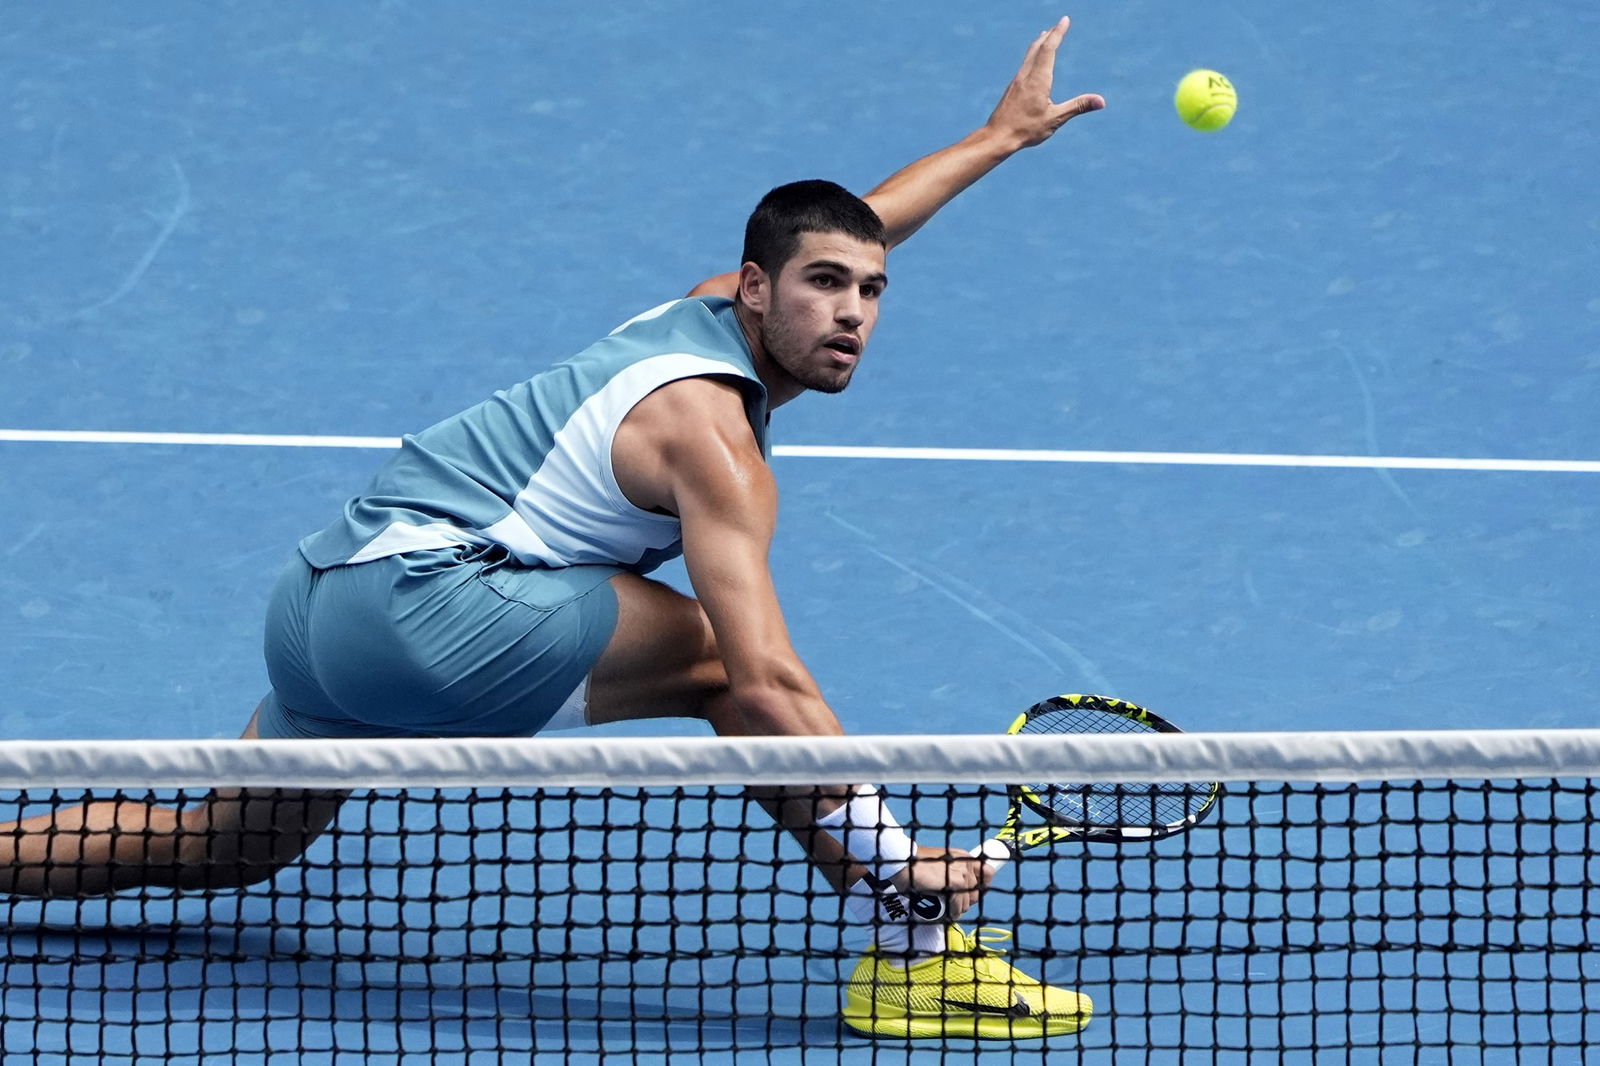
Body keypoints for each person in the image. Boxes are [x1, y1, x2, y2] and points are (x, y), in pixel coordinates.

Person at [0, 17, 1104, 1040]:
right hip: (420, 612)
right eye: (825, 288)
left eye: (870, 292)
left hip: (317, 607)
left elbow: (858, 224)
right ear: (761, 293)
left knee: (224, 844)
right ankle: (908, 946)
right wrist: (897, 856)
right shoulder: (713, 440)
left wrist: (994, 141)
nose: (853, 313)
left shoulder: (711, 303)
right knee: (723, 661)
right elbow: (762, 684)